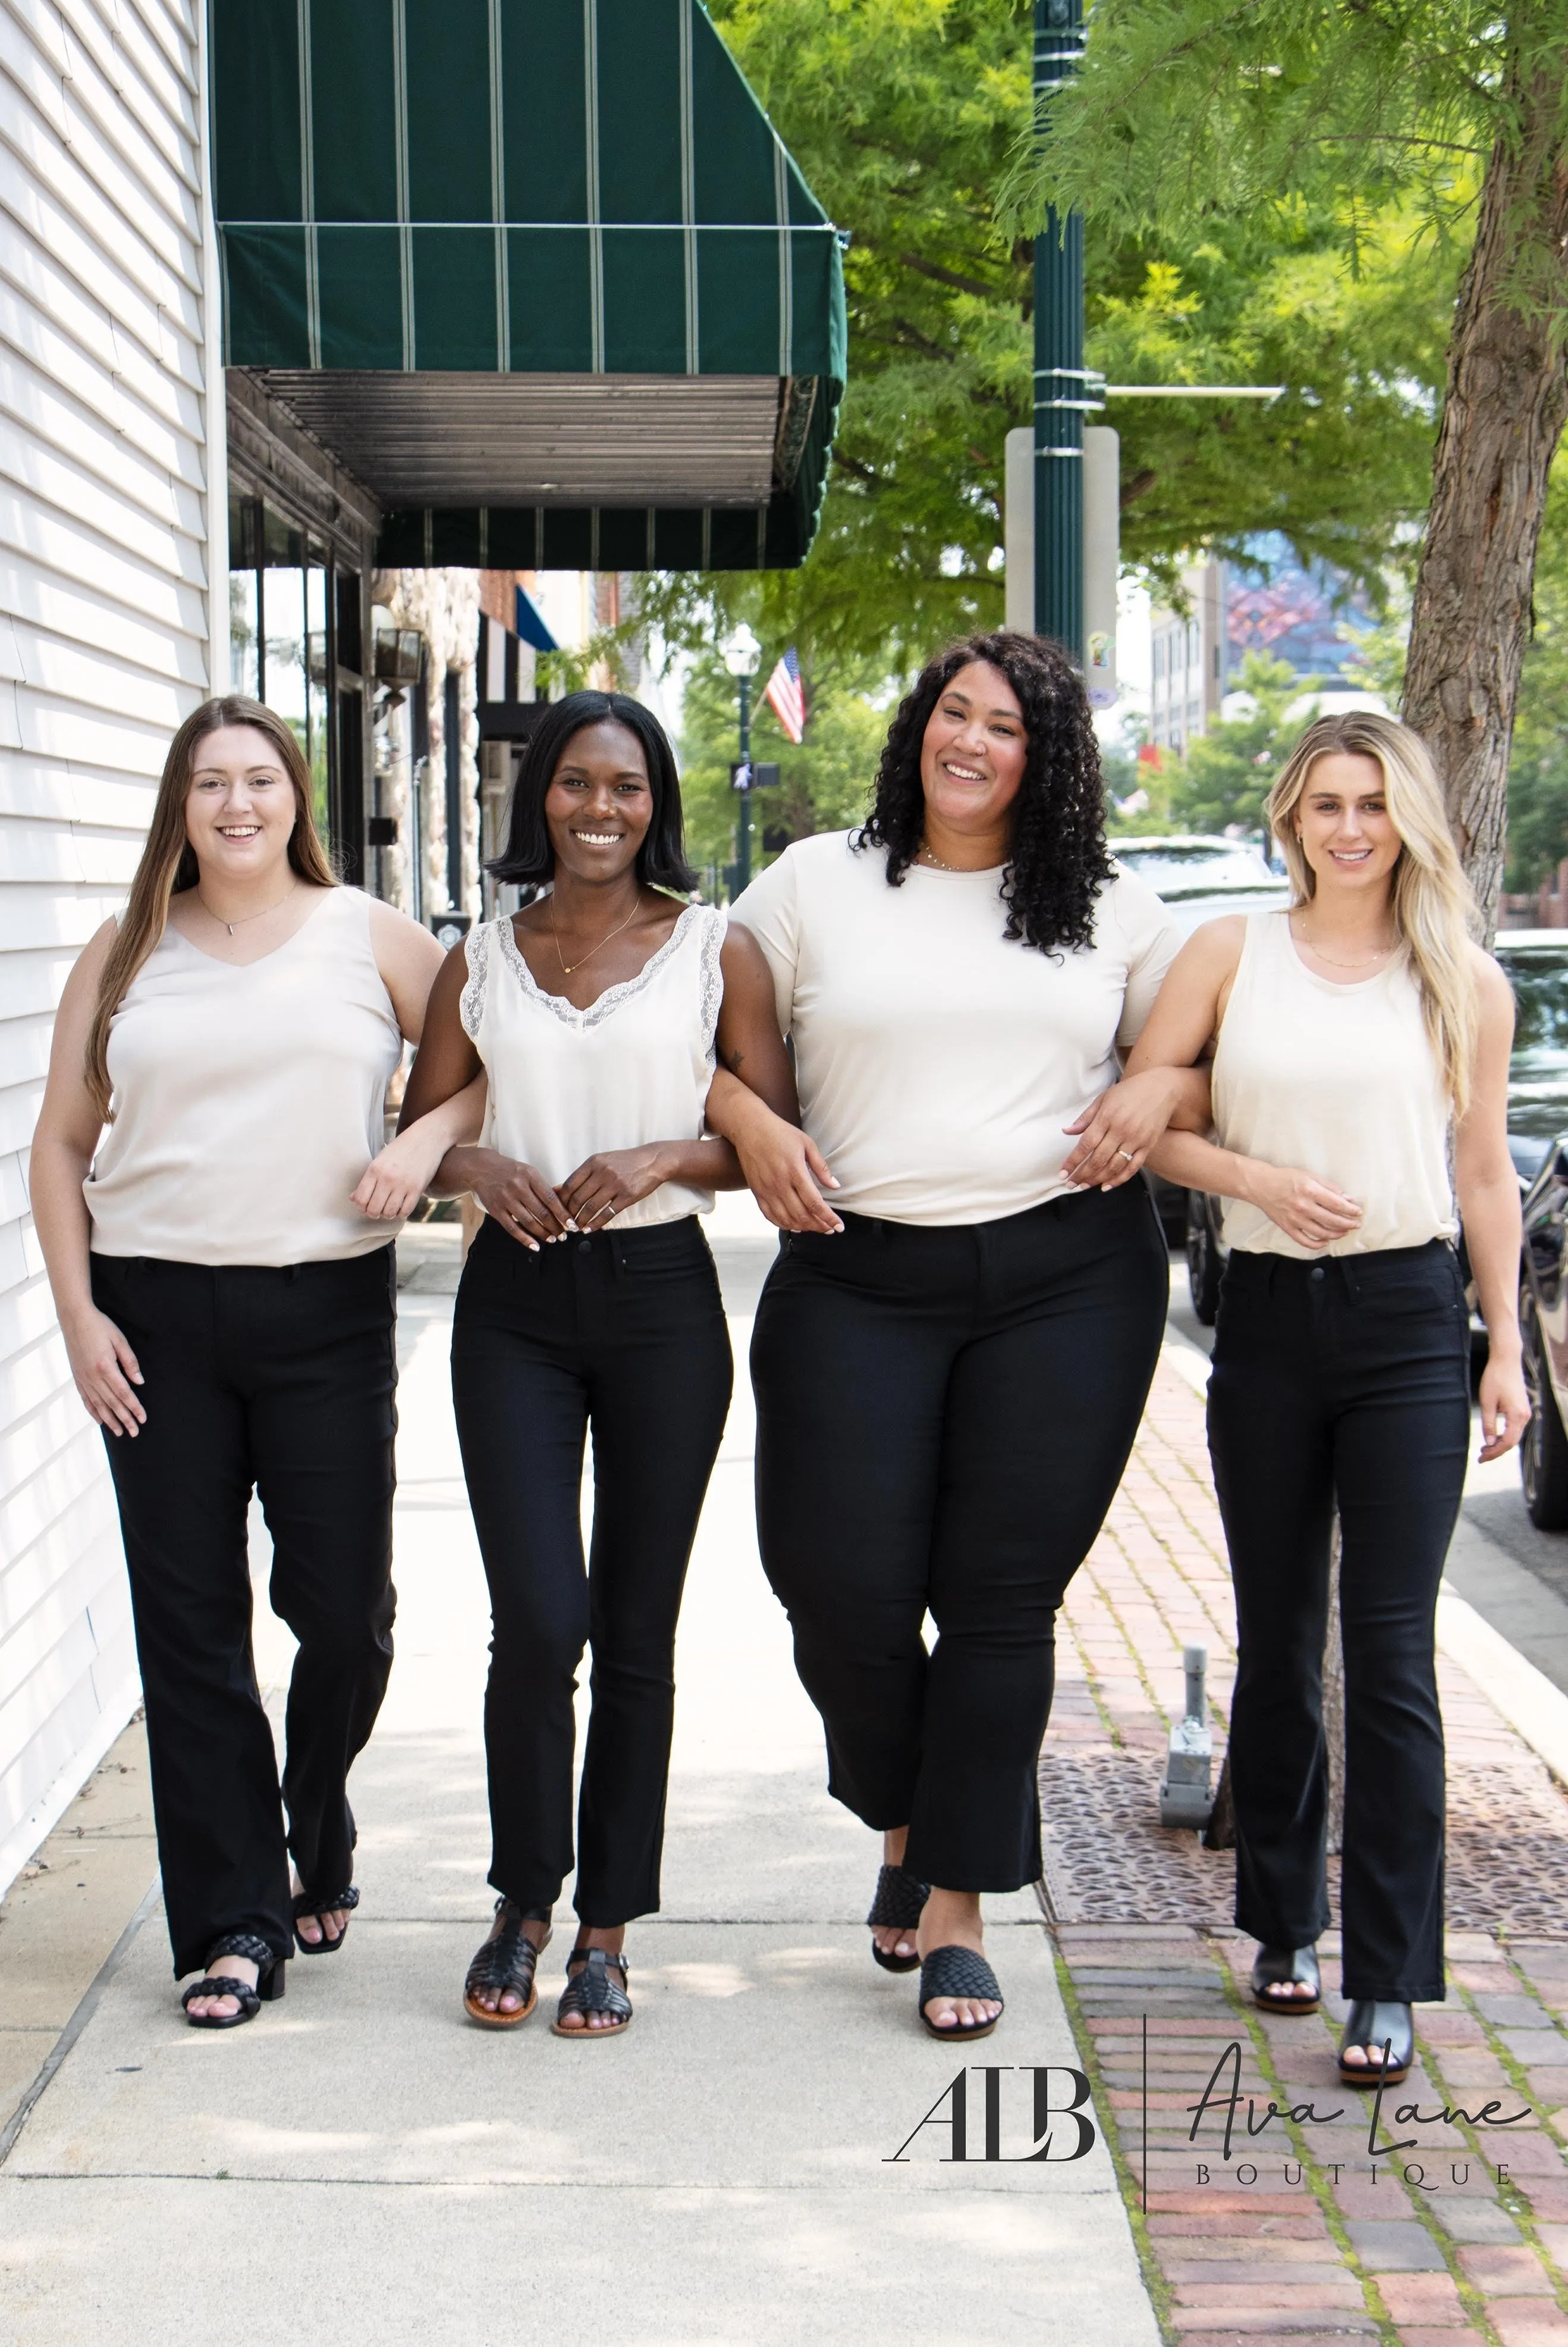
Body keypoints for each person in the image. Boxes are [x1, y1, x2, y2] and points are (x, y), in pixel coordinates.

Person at [704, 630, 1211, 2041]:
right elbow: (690, 1030)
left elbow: (1224, 1032)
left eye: (1008, 727)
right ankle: (902, 1814)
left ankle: (958, 1908)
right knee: (837, 1588)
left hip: (1065, 1280)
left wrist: (1160, 1070)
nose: (972, 741)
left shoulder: (1111, 908)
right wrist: (747, 1118)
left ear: (1048, 762)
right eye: (953, 712)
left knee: (997, 1603)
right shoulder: (814, 881)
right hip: (853, 1270)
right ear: (917, 726)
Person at [29, 697, 479, 2029]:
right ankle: (232, 1925)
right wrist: (75, 1315)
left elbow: (487, 1057)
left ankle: (314, 1824)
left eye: (261, 780)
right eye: (210, 783)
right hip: (151, 1322)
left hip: (324, 1315)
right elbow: (60, 1143)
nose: (237, 804)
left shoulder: (369, 936)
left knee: (344, 1615)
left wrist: (420, 1141)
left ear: (298, 801)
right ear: (181, 804)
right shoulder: (125, 952)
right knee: (192, 1637)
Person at [1129, 711, 1528, 2085]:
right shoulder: (1230, 955)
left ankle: (1390, 1978)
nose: (1347, 828)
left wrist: (1503, 1349)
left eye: (1370, 805)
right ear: (1289, 820)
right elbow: (1146, 1115)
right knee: (1278, 1637)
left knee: (1395, 1653)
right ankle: (1282, 1922)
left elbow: (1483, 1173)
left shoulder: (1460, 982)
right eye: (1323, 805)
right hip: (1275, 1318)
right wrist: (1256, 1184)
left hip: (1413, 1321)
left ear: (1406, 819)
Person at [399, 691, 790, 2038]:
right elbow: (418, 1137)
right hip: (511, 1302)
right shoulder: (482, 957)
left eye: (624, 787)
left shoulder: (710, 950)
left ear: (655, 802)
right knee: (538, 1623)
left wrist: (660, 1155)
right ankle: (521, 1899)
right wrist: (474, 1161)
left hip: (661, 1303)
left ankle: (608, 1931)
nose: (600, 810)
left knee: (634, 1632)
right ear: (539, 798)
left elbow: (768, 1144)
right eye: (575, 785)